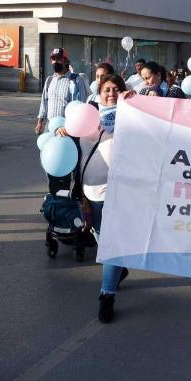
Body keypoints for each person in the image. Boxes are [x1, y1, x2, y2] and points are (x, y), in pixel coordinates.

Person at [69, 74, 130, 323]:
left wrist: (135, 103)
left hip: (117, 192)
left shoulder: (130, 119)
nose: (111, 93)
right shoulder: (87, 115)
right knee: (98, 237)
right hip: (88, 191)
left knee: (110, 246)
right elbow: (73, 148)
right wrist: (64, 131)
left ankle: (107, 297)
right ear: (99, 91)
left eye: (116, 89)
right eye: (107, 89)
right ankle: (118, 270)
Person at [35, 48, 85, 136]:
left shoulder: (76, 80)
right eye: (53, 59)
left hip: (66, 127)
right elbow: (44, 101)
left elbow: (80, 106)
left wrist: (73, 126)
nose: (55, 62)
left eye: (59, 59)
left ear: (65, 61)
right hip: (49, 125)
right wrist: (40, 122)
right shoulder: (49, 80)